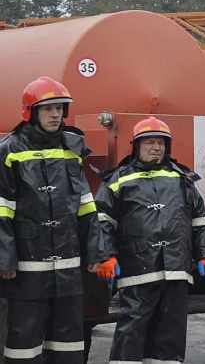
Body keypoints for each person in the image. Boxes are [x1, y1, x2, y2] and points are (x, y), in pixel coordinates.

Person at [95, 116, 205, 363]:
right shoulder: (119, 180)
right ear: (136, 146)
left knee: (171, 333)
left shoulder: (182, 179)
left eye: (161, 143)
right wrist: (106, 256)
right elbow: (102, 222)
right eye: (150, 142)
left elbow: (199, 221)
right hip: (137, 268)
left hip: (176, 270)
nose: (156, 148)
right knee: (132, 328)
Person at [0, 77, 105, 363]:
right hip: (26, 265)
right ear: (31, 112)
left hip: (68, 266)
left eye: (59, 108)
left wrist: (95, 251)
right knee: (23, 339)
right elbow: (2, 210)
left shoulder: (71, 150)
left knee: (68, 340)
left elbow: (85, 206)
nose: (56, 114)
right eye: (48, 109)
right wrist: (5, 259)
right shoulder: (9, 151)